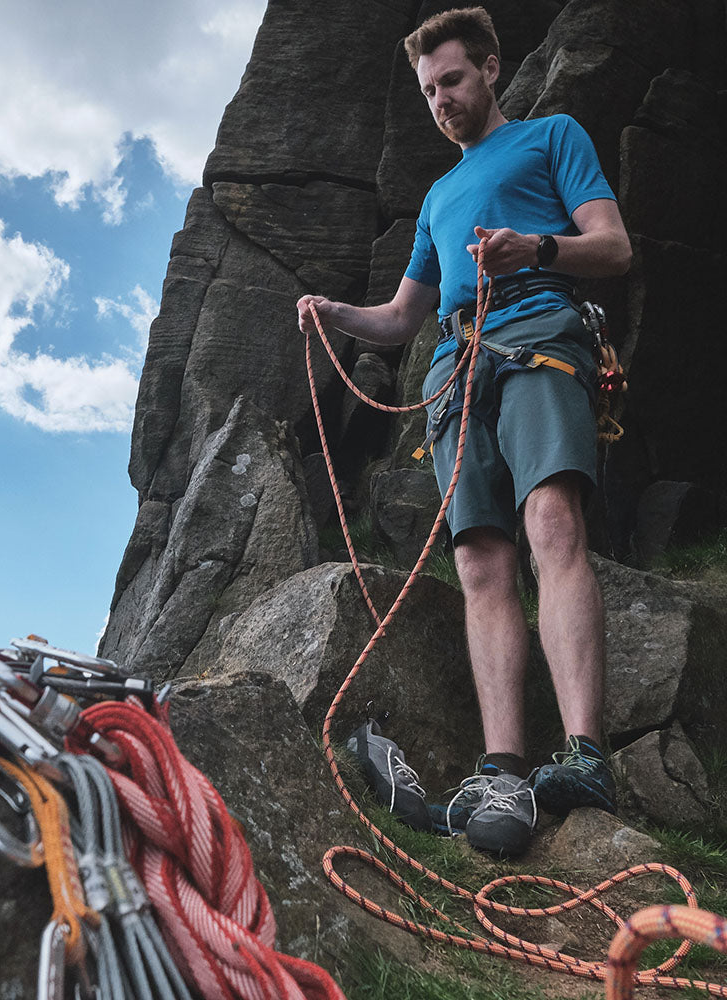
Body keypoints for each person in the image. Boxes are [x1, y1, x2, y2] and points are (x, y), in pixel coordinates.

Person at [297, 6, 632, 857]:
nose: (441, 100)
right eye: (428, 90)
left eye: (452, 80)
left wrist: (536, 250)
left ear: (488, 69)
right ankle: (503, 768)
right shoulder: (436, 198)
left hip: (538, 337)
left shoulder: (553, 136)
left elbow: (614, 246)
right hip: (456, 367)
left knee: (552, 522)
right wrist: (336, 312)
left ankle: (587, 755)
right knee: (480, 560)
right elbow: (404, 316)